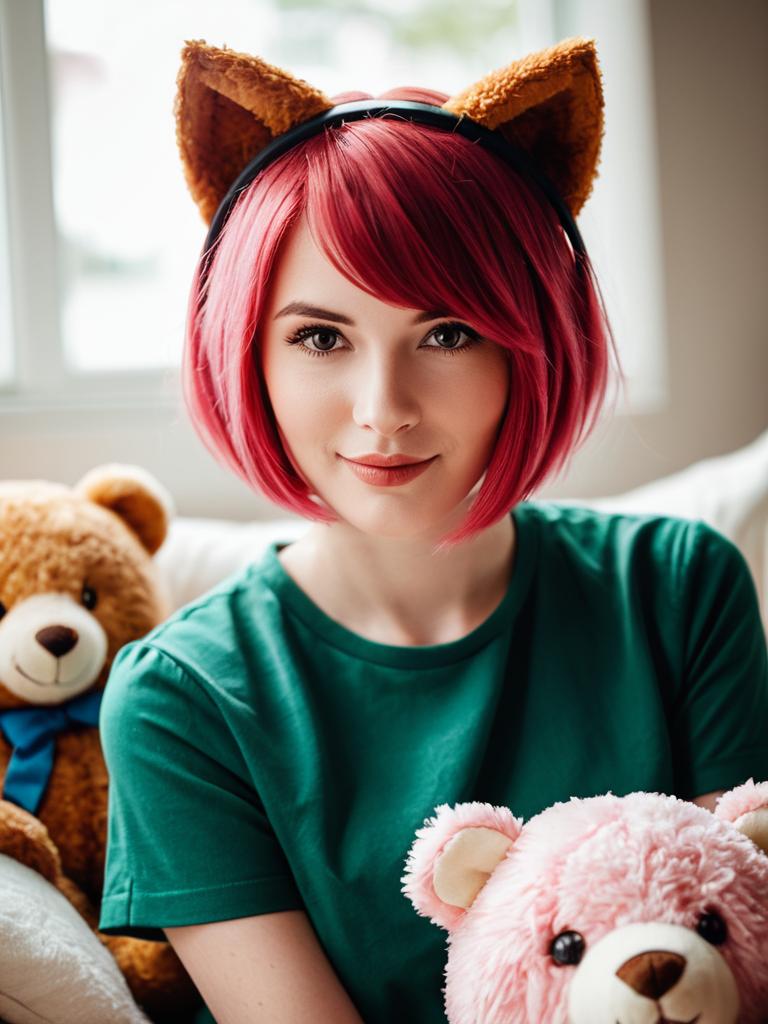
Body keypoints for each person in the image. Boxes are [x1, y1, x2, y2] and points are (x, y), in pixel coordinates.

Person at [96, 36, 768, 1024]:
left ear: (526, 343)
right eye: (320, 336)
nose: (384, 407)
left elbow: (741, 962)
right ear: (250, 353)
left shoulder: (677, 589)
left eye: (446, 332)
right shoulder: (181, 703)